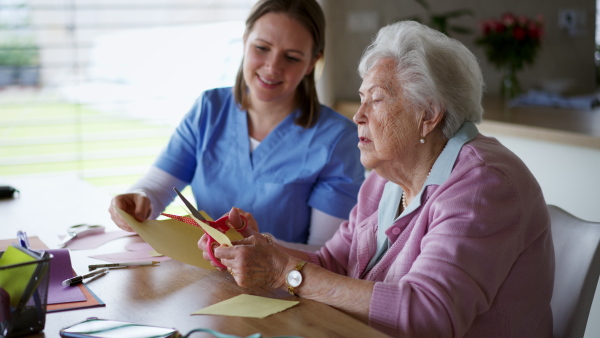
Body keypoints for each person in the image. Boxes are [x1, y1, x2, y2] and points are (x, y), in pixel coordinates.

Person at [203, 21, 555, 337]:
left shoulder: (483, 186)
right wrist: (259, 250)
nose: (357, 116)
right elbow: (335, 265)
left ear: (428, 115)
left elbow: (430, 316)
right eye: (361, 100)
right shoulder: (386, 177)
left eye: (377, 100)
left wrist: (284, 273)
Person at [108, 0, 364, 248]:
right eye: (262, 48)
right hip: (206, 277)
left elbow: (327, 254)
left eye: (292, 57)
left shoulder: (337, 139)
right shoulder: (209, 109)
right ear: (244, 41)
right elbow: (155, 189)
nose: (272, 67)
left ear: (312, 62)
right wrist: (137, 201)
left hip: (283, 288)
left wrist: (257, 248)